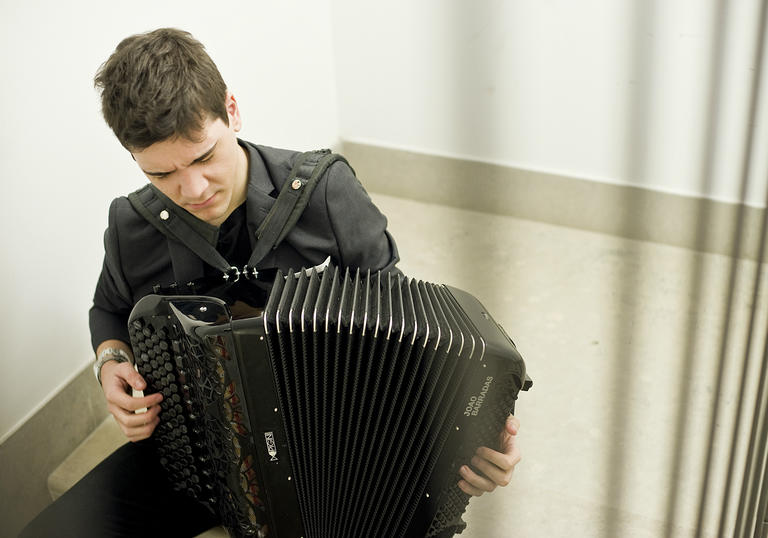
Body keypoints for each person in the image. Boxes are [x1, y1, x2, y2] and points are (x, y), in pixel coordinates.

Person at [21, 27, 521, 537]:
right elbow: (107, 308)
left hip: (338, 453)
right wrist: (111, 363)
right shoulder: (132, 226)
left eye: (203, 156)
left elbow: (401, 326)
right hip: (195, 454)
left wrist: (470, 432)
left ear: (231, 111)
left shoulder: (326, 192)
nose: (192, 190)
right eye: (161, 175)